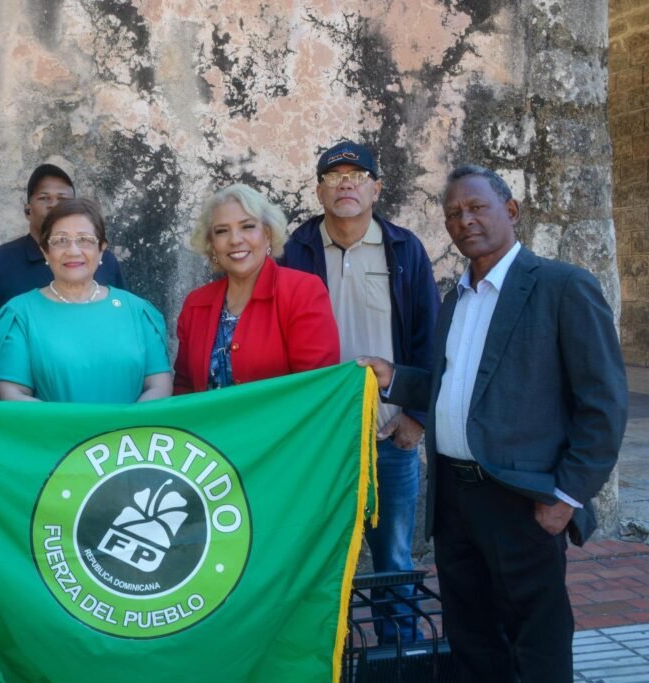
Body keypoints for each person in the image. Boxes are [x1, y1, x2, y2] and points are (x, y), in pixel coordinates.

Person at [360, 165, 628, 681]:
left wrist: (568, 495)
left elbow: (604, 401)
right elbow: (453, 387)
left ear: (510, 210)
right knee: (472, 637)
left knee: (537, 639)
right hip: (455, 501)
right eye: (454, 213)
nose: (465, 220)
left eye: (477, 207)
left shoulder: (561, 286)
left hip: (523, 499)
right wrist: (395, 378)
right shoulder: (455, 298)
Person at [280, 141, 440, 642]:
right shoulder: (294, 250)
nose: (345, 183)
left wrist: (414, 417)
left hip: (387, 436)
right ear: (318, 189)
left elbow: (428, 338)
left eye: (357, 174)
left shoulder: (403, 248)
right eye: (333, 176)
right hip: (320, 441)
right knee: (319, 561)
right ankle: (329, 659)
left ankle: (402, 663)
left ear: (376, 187)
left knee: (393, 558)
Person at [0, 163, 126, 397]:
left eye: (63, 198)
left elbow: (121, 325)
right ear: (28, 209)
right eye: (44, 198)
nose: (54, 205)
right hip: (20, 406)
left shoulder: (103, 260)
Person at [0, 197, 170, 403]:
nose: (73, 251)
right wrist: (80, 432)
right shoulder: (19, 316)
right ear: (45, 250)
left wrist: (117, 430)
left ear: (101, 249)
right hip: (53, 434)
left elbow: (159, 386)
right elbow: (12, 394)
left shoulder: (137, 311)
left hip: (128, 434)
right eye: (60, 240)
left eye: (85, 240)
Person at [173, 183, 340, 394]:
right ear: (212, 244)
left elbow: (316, 388)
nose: (235, 240)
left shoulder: (302, 291)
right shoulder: (195, 303)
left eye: (247, 226)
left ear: (267, 235)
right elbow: (183, 388)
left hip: (285, 427)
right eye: (222, 231)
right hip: (204, 428)